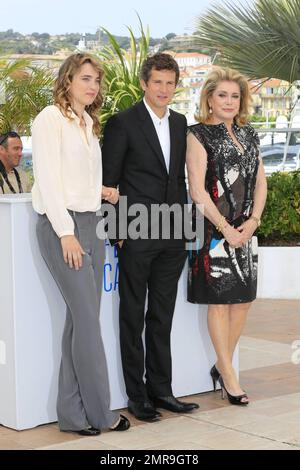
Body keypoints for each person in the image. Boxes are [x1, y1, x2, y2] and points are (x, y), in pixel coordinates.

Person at [31, 53, 130, 435]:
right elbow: (50, 181)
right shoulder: (48, 120)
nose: (93, 86)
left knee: (79, 324)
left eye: (97, 81)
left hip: (92, 224)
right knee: (88, 325)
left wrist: (98, 190)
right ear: (68, 79)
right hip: (64, 229)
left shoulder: (88, 122)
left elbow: (77, 176)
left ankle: (71, 415)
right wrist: (65, 231)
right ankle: (101, 413)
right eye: (86, 78)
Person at [102, 53, 199, 421]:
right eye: (157, 82)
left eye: (169, 83)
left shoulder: (179, 122)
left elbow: (178, 180)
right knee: (132, 316)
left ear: (176, 86)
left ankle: (162, 391)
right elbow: (109, 182)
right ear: (144, 83)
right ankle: (136, 396)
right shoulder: (123, 123)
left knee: (162, 315)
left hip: (173, 233)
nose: (163, 89)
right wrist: (117, 232)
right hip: (137, 232)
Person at [186, 67, 267, 405]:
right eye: (223, 95)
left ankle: (221, 365)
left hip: (246, 230)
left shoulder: (250, 135)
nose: (229, 101)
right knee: (219, 302)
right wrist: (225, 229)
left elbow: (261, 181)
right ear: (209, 98)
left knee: (243, 300)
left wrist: (254, 221)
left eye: (235, 96)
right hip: (213, 231)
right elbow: (197, 191)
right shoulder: (197, 134)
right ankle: (230, 375)